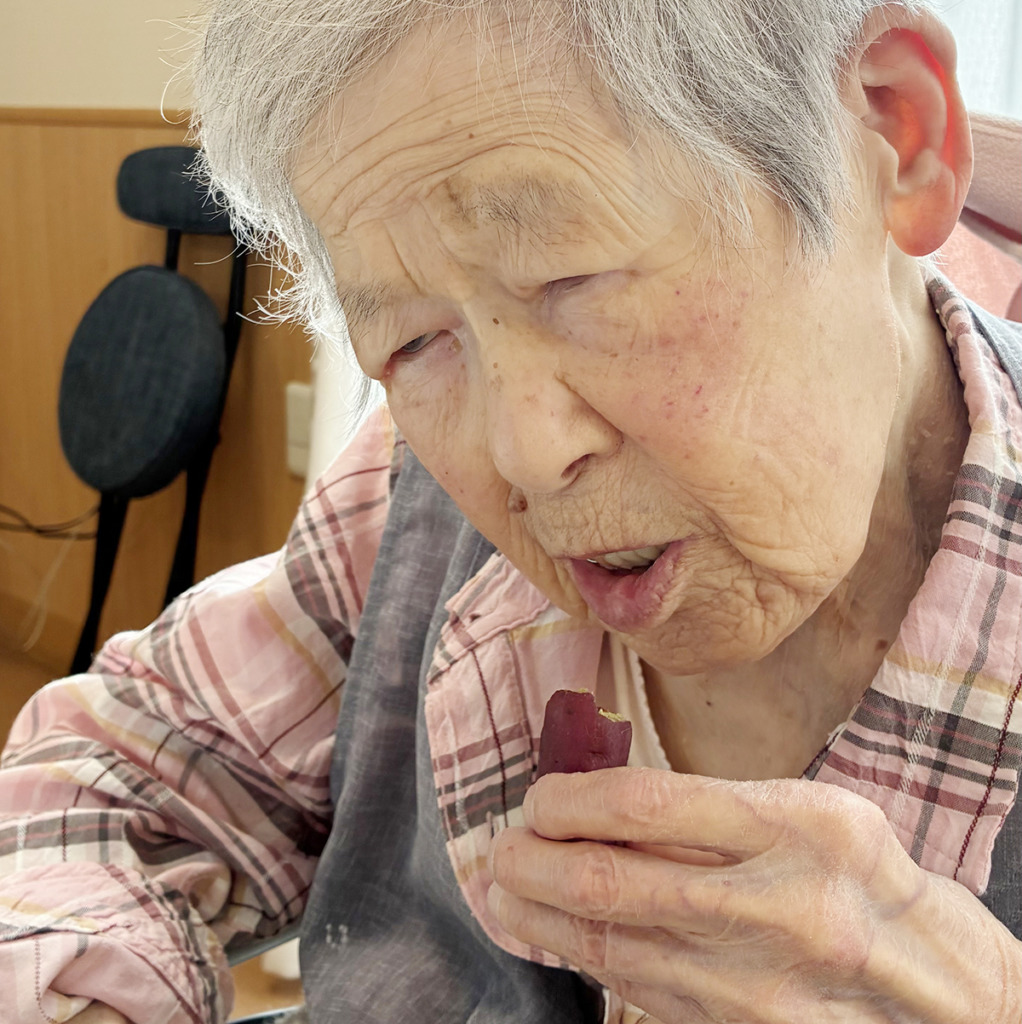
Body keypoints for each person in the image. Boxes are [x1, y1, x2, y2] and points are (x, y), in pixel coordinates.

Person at [1, 0, 1020, 1021]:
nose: (522, 453)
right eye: (413, 342)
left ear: (891, 135)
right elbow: (113, 769)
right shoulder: (408, 492)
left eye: (573, 276)